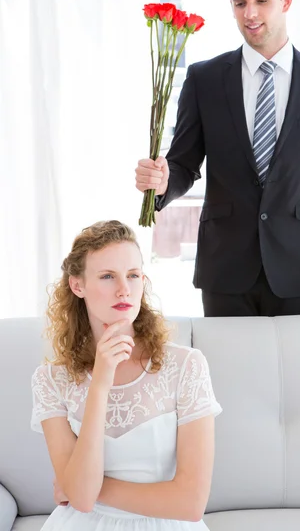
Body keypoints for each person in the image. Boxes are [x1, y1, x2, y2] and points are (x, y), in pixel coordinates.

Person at [135, 0, 300, 318]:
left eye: (261, 1)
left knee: (297, 375)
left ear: (286, 1)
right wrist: (162, 183)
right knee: (226, 374)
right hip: (224, 269)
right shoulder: (204, 80)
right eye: (239, 3)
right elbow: (184, 164)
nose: (249, 14)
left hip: (297, 270)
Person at [31, 220, 222, 530]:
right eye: (108, 276)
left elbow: (190, 503)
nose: (124, 289)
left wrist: (86, 488)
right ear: (77, 285)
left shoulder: (186, 366)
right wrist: (101, 383)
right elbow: (79, 500)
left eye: (133, 276)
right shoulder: (50, 380)